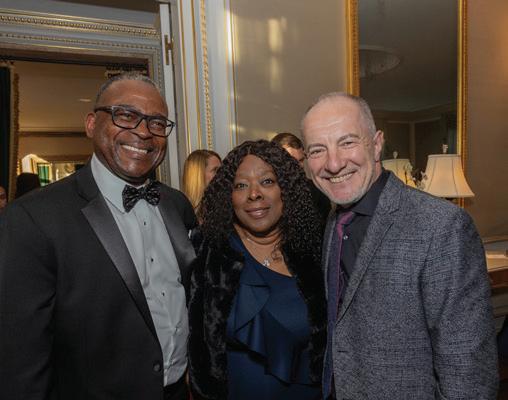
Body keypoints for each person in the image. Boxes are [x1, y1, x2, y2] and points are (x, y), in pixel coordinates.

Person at [0, 73, 197, 400]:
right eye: (126, 115)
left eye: (157, 122)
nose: (144, 132)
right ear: (92, 124)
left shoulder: (177, 205)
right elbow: (20, 361)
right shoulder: (32, 218)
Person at [301, 92, 498, 399]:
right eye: (318, 150)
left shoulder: (441, 226)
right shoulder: (334, 220)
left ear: (377, 143)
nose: (334, 163)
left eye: (347, 142)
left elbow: (469, 374)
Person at [188, 140, 326, 399]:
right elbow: (195, 344)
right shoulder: (211, 253)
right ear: (228, 195)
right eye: (241, 185)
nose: (254, 194)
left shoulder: (314, 252)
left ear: (286, 189)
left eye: (267, 181)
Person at [271, 132, 331, 223]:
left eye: (301, 160)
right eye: (291, 161)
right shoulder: (265, 191)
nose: (299, 166)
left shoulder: (317, 190)